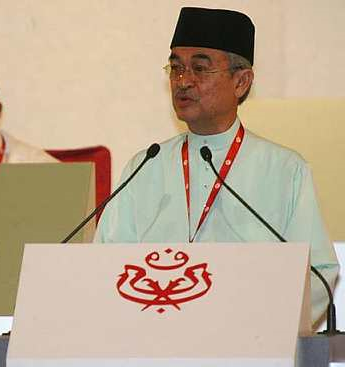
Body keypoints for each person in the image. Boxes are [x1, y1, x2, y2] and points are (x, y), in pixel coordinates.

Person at [94, 7, 339, 326]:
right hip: (152, 343)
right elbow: (103, 267)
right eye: (176, 67)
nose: (183, 81)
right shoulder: (144, 167)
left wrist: (259, 328)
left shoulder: (284, 170)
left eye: (200, 68)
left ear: (241, 82)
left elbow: (317, 274)